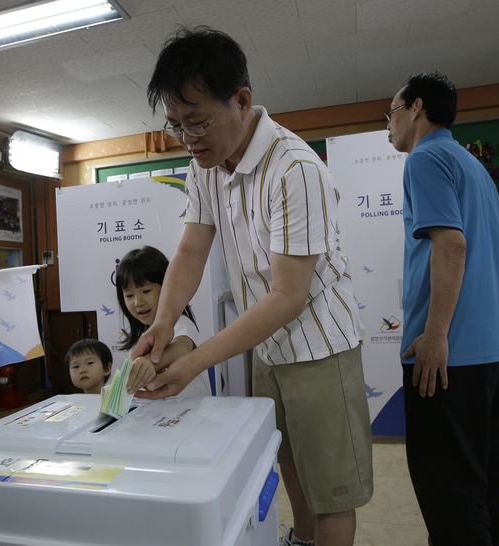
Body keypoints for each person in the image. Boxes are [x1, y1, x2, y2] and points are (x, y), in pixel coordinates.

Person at [132, 28, 373, 546]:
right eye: (176, 125)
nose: (188, 137)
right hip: (266, 344)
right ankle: (300, 539)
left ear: (241, 100)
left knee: (332, 488)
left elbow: (289, 295)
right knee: (285, 460)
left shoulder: (295, 168)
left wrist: (194, 361)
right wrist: (164, 323)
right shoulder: (205, 163)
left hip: (319, 348)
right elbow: (192, 249)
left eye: (197, 120)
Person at [385, 72, 499, 546]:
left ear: (417, 108)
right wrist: (493, 310)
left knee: (448, 490)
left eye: (392, 112)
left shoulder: (425, 159)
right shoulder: (470, 163)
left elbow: (450, 244)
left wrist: (436, 334)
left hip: (448, 362)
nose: (389, 126)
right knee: (483, 475)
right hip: (491, 352)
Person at [116, 246, 211, 397]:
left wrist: (150, 362)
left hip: (193, 412)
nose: (137, 302)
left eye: (146, 291)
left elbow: (182, 346)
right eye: (129, 295)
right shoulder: (141, 337)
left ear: (168, 288)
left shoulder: (181, 322)